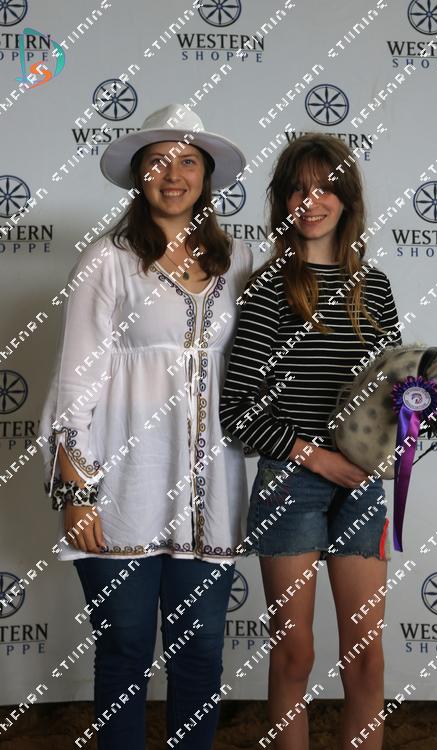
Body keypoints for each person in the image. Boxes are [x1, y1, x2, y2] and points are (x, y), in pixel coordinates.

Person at [40, 104, 252, 750]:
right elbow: (75, 379)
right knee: (125, 648)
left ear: (206, 176)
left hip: (211, 499)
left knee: (200, 654)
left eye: (188, 161)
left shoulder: (241, 261)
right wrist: (75, 491)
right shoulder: (107, 261)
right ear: (139, 175)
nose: (173, 175)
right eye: (158, 162)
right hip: (121, 492)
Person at [219, 133, 401, 750]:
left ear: (346, 199)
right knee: (294, 654)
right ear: (282, 202)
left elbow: (391, 393)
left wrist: (413, 425)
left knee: (366, 658)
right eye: (298, 189)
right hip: (290, 485)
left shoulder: (374, 288)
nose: (311, 201)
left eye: (325, 188)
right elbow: (238, 411)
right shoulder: (269, 288)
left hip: (360, 485)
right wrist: (316, 457)